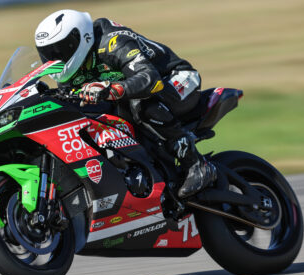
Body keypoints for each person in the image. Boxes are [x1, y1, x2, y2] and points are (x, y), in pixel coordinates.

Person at [35, 9, 216, 198]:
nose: (55, 57)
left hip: (177, 79)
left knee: (143, 105)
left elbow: (151, 80)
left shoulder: (112, 42)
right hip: (133, 96)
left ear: (82, 36)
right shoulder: (68, 70)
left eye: (61, 49)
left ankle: (196, 164)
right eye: (48, 53)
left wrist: (112, 90)